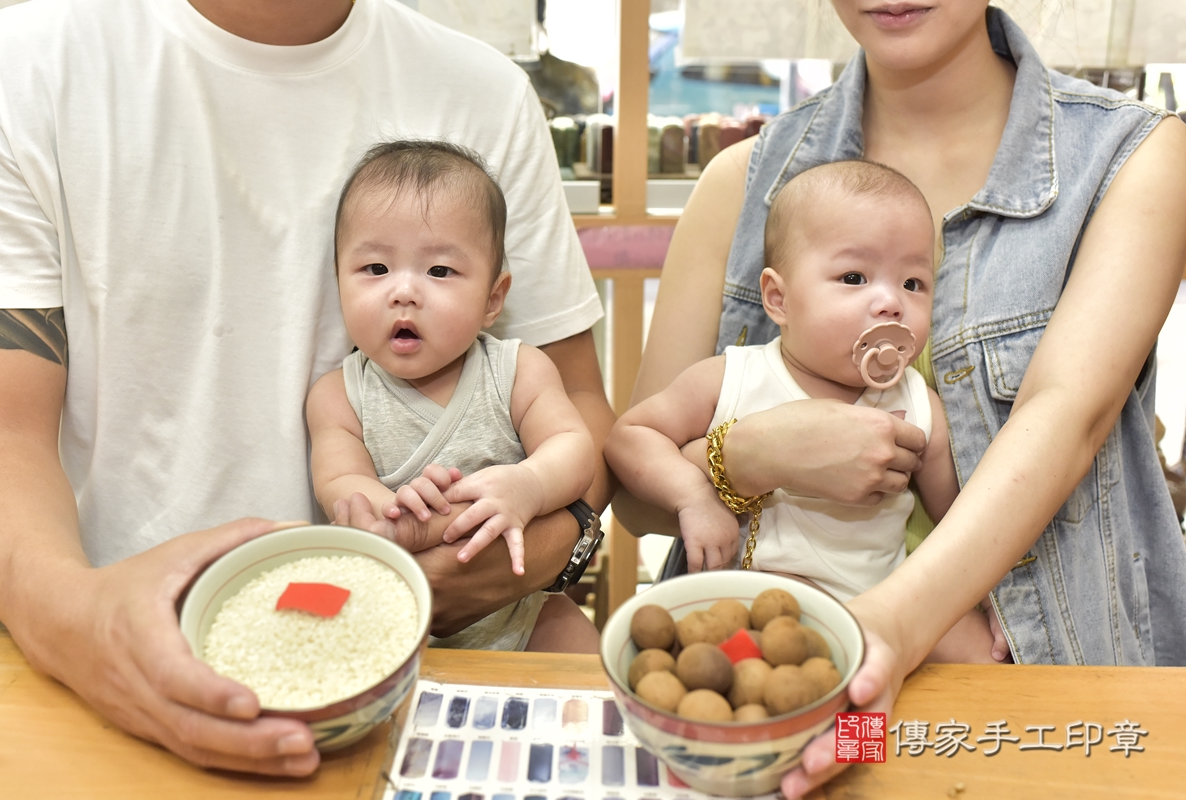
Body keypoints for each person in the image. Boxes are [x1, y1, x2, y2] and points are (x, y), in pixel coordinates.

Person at [0, 0, 615, 778]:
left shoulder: (480, 90)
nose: (404, 292)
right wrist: (75, 621)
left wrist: (538, 538)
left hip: (449, 687)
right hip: (131, 679)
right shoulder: (20, 66)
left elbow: (576, 408)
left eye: (437, 271)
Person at [618, 3, 1186, 797]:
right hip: (768, 687)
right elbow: (635, 496)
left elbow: (1067, 419)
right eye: (850, 278)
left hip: (1035, 692)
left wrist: (886, 624)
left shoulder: (1130, 156)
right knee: (823, 776)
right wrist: (745, 455)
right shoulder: (741, 181)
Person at [608, 160, 996, 662]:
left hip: (884, 605)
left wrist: (993, 600)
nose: (891, 303)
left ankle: (881, 737)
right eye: (854, 277)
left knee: (978, 651)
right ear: (778, 299)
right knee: (726, 653)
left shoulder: (919, 405)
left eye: (913, 283)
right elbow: (630, 435)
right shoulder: (733, 376)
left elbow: (959, 524)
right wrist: (693, 497)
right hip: (765, 600)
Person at [307, 140, 598, 652]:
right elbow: (340, 482)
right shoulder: (338, 395)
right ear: (339, 284)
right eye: (375, 270)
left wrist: (528, 485)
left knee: (583, 665)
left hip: (522, 610)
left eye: (439, 271)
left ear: (492, 299)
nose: (403, 291)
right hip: (398, 620)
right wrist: (395, 511)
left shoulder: (518, 371)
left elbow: (575, 447)